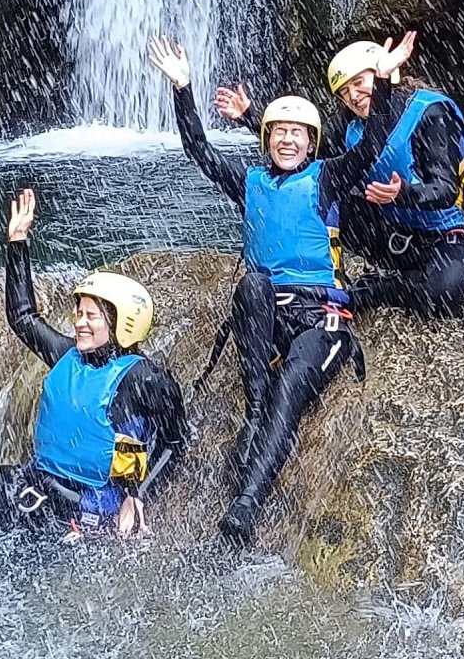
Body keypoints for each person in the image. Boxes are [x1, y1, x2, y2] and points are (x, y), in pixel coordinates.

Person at [148, 32, 413, 543]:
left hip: (322, 317)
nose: (288, 140)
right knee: (251, 285)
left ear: (310, 143)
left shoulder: (329, 176)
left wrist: (380, 80)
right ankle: (255, 413)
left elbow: (375, 141)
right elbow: (199, 150)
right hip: (269, 312)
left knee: (291, 388)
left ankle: (245, 507)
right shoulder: (249, 183)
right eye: (279, 132)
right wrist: (184, 89)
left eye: (298, 133)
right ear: (266, 139)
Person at [0, 189, 189, 538]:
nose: (80, 323)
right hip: (31, 490)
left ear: (122, 322)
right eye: (79, 313)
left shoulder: (145, 378)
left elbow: (175, 443)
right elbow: (23, 317)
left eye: (92, 316)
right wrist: (17, 242)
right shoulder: (66, 354)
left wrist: (137, 496)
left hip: (83, 513)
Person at [213, 41, 464, 319]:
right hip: (396, 235)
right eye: (345, 92)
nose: (355, 96)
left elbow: (446, 190)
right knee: (319, 192)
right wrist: (252, 118)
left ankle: (375, 291)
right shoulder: (349, 123)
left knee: (446, 292)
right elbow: (309, 163)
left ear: (383, 74)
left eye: (360, 82)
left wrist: (403, 193)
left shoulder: (431, 113)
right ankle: (318, 284)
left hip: (449, 236)